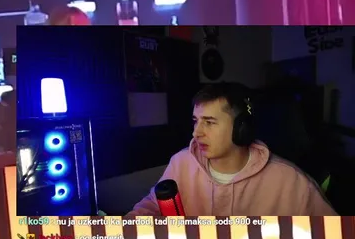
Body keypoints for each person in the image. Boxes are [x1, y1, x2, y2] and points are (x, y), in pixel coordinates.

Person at [128, 82, 336, 217]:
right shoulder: (181, 163)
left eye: (209, 122)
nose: (196, 133)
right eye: (196, 121)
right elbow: (151, 207)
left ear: (241, 128)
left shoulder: (291, 181)